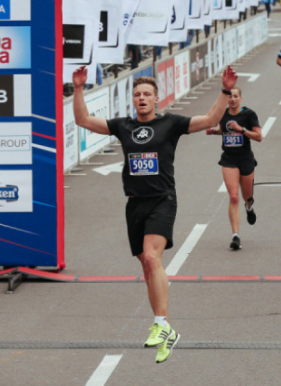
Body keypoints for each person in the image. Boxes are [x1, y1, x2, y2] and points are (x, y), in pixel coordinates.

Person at [71, 64, 238, 364]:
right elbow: (82, 119)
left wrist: (225, 91)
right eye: (137, 95)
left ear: (157, 99)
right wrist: (80, 88)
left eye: (147, 94)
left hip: (163, 200)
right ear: (132, 100)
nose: (142, 98)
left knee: (152, 257)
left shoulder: (170, 124)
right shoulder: (123, 126)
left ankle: (160, 323)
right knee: (148, 269)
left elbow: (212, 119)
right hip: (135, 204)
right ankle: (168, 329)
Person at [205, 87, 262, 250]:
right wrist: (214, 132)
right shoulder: (223, 113)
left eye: (236, 96)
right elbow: (223, 131)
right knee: (234, 197)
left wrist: (242, 129)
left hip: (245, 159)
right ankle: (235, 236)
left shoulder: (249, 114)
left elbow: (259, 137)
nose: (232, 99)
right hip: (229, 159)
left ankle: (249, 207)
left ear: (241, 98)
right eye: (230, 96)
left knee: (247, 197)